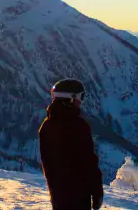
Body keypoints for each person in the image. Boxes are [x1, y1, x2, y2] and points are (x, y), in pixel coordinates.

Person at [39, 79, 104, 210]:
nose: (81, 101)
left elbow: (48, 164)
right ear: (71, 99)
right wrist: (97, 192)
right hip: (79, 197)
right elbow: (89, 163)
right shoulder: (78, 126)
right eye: (80, 97)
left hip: (58, 195)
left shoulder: (46, 126)